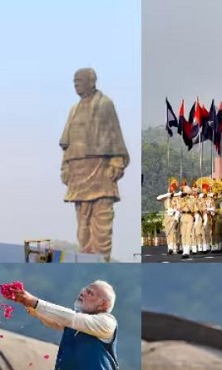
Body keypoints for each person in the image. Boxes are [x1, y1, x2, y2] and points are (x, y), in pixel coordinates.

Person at [59, 68, 130, 262]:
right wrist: (65, 166)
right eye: (74, 81)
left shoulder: (105, 104)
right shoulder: (74, 109)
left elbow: (114, 135)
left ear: (92, 81)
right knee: (83, 225)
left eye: (80, 80)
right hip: (78, 171)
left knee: (101, 221)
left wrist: (116, 161)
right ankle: (86, 259)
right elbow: (67, 144)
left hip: (100, 168)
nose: (76, 84)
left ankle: (101, 262)